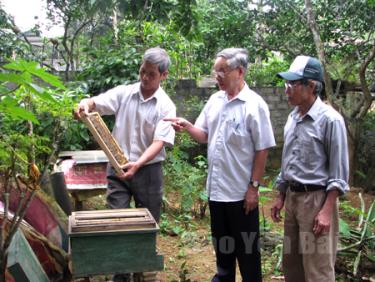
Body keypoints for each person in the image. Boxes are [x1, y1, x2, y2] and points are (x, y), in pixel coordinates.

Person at [165, 48, 275, 282]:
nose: (217, 76)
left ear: (240, 71)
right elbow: (204, 134)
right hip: (216, 193)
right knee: (223, 256)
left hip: (241, 196)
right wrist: (186, 126)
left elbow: (262, 148)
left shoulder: (255, 105)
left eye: (222, 71)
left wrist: (254, 188)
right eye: (215, 71)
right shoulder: (215, 100)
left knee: (248, 257)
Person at [74, 47, 176, 282]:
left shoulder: (166, 106)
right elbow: (95, 103)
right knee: (116, 221)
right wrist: (84, 105)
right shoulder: (124, 93)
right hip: (117, 169)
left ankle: (142, 271)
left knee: (147, 224)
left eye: (151, 74)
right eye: (142, 71)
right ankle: (121, 275)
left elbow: (160, 142)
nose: (144, 77)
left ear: (164, 75)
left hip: (148, 171)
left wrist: (138, 164)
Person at [270, 55, 349, 282]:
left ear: (312, 86)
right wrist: (281, 194)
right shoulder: (293, 117)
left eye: (292, 84)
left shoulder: (330, 120)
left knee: (318, 269)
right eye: (287, 84)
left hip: (316, 200)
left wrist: (326, 210)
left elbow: (339, 171)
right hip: (293, 198)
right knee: (292, 265)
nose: (287, 90)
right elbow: (289, 161)